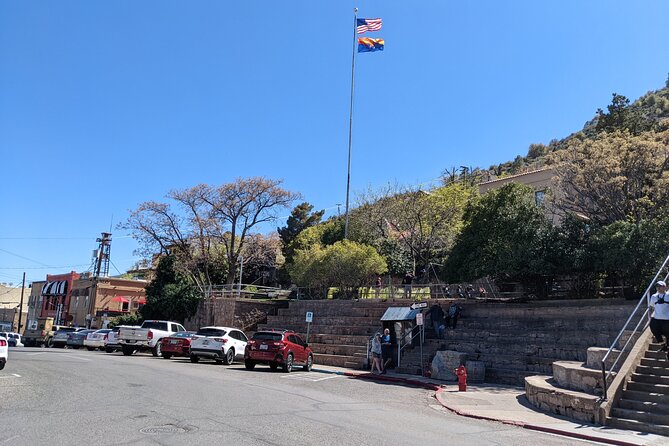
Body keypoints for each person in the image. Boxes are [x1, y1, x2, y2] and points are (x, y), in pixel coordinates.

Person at [650, 280, 669, 358]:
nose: (658, 288)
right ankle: (663, 345)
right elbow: (652, 305)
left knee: (668, 334)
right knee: (654, 329)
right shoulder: (654, 296)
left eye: (660, 286)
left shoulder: (668, 295)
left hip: (667, 319)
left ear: (665, 287)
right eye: (657, 286)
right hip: (657, 318)